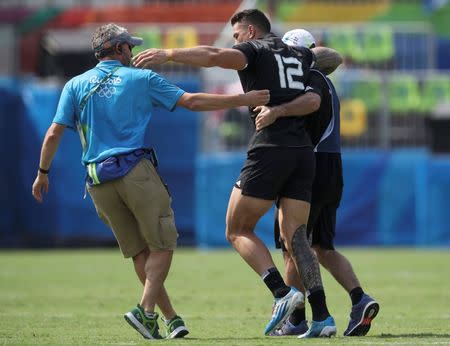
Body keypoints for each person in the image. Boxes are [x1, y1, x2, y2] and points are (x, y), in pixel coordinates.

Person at [31, 23, 269, 340]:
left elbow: (53, 133)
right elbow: (194, 102)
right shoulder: (141, 78)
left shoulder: (75, 85)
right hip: (133, 171)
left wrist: (42, 173)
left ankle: (171, 319)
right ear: (118, 49)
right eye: (129, 46)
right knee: (164, 243)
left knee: (140, 253)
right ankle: (145, 311)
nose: (133, 51)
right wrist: (245, 99)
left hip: (97, 181)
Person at [134, 9, 340, 337]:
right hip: (304, 153)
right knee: (296, 236)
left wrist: (169, 53)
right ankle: (324, 317)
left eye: (237, 35)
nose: (235, 41)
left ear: (251, 32)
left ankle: (281, 292)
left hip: (270, 148)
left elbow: (215, 56)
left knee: (236, 229)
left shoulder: (254, 49)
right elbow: (331, 56)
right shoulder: (298, 54)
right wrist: (308, 56)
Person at [254, 29, 380, 337]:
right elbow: (332, 57)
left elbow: (311, 97)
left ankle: (297, 318)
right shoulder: (324, 80)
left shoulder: (309, 82)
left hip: (309, 167)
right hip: (331, 166)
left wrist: (276, 112)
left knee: (292, 244)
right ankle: (359, 298)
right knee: (321, 247)